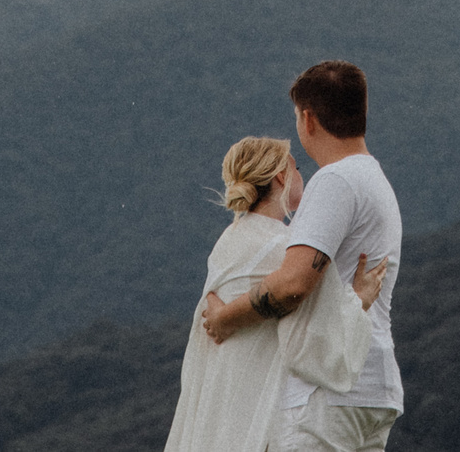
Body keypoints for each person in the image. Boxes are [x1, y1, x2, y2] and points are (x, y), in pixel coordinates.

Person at [203, 61, 405, 452]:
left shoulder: (334, 180)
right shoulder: (375, 180)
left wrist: (225, 317)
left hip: (324, 392)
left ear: (308, 119)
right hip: (374, 386)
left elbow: (294, 283)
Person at [162, 134, 388, 452]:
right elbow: (321, 340)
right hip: (259, 407)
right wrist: (359, 300)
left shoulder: (229, 240)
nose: (301, 177)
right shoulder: (286, 247)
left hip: (222, 401)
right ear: (281, 176)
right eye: (297, 169)